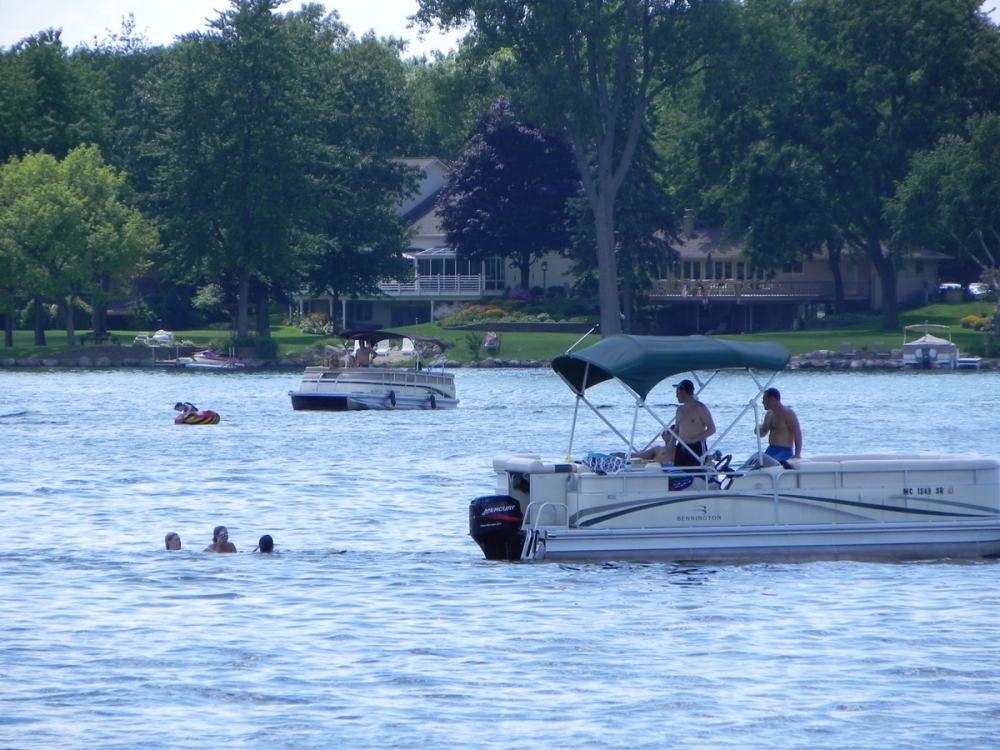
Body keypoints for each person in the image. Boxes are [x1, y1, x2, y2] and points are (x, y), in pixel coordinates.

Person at [667, 379, 716, 467]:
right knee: (679, 473)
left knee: (695, 474)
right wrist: (672, 442)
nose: (676, 396)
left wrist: (695, 439)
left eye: (677, 393)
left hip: (696, 446)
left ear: (683, 393)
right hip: (681, 446)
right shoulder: (680, 410)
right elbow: (677, 429)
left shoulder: (700, 408)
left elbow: (712, 429)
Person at [757, 387, 802, 462]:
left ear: (772, 400)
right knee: (757, 465)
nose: (762, 402)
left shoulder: (787, 413)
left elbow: (797, 433)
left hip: (784, 451)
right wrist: (758, 429)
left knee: (766, 467)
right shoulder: (769, 414)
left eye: (764, 399)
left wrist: (797, 454)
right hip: (770, 449)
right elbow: (763, 433)